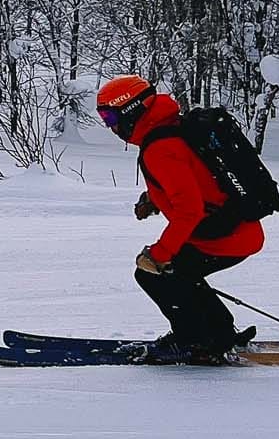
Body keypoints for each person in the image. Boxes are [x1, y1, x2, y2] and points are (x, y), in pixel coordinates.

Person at [96, 75, 264, 363]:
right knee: (182, 273)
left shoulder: (160, 147)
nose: (109, 125)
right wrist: (153, 200)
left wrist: (159, 254)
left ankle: (196, 341)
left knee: (155, 274)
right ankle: (218, 334)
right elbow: (194, 180)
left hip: (224, 236)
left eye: (109, 115)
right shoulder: (169, 129)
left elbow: (190, 210)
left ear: (131, 110)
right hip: (234, 229)